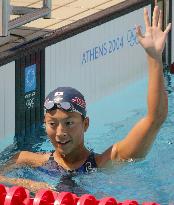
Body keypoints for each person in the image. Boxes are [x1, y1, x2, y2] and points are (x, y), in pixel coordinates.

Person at [0, 2, 171, 193]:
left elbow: (155, 119)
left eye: (69, 123)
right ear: (44, 124)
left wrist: (154, 59)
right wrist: (32, 185)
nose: (60, 132)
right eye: (52, 124)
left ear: (86, 124)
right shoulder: (25, 159)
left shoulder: (104, 163)